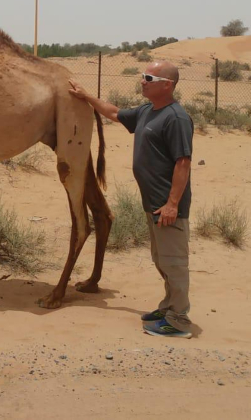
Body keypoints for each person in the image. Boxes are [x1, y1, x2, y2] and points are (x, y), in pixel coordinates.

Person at [68, 61, 194, 338]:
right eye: (142, 76)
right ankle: (168, 307)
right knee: (161, 259)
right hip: (154, 203)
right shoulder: (148, 111)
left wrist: (172, 204)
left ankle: (179, 320)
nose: (142, 81)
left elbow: (183, 162)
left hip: (168, 206)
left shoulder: (176, 118)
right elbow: (114, 113)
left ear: (167, 85)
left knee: (174, 262)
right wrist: (86, 96)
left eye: (149, 77)